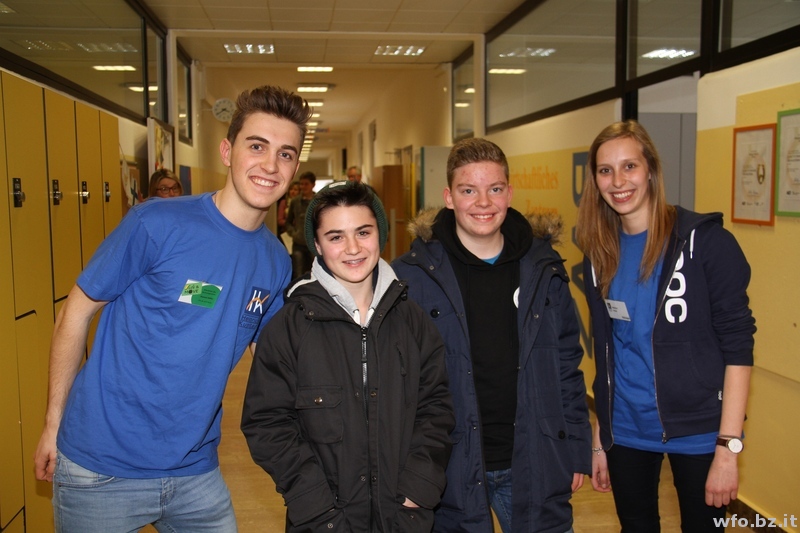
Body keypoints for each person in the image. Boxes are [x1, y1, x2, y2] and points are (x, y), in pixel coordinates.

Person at [33, 84, 312, 532]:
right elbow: (74, 313)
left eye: (285, 154)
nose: (270, 165)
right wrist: (52, 423)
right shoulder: (156, 223)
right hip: (100, 467)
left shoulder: (274, 260)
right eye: (257, 146)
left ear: (295, 167)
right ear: (227, 151)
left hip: (194, 469)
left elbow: (274, 360)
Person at [392, 138, 591, 533]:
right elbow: (396, 383)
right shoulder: (412, 276)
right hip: (449, 468)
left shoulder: (544, 268)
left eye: (494, 189)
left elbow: (567, 365)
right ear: (449, 197)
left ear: (509, 194)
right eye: (468, 190)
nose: (483, 202)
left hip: (534, 461)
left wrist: (576, 447)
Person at [242, 180, 455, 532]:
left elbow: (436, 408)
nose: (353, 248)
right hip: (321, 521)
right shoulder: (289, 327)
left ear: (380, 234)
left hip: (404, 517)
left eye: (363, 232)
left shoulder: (412, 321)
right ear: (317, 245)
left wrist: (418, 489)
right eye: (336, 237)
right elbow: (267, 423)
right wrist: (314, 505)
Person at [575, 120, 756, 531]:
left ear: (651, 170)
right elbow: (608, 349)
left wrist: (728, 448)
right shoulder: (599, 253)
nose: (618, 181)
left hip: (699, 431)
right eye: (605, 170)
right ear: (595, 181)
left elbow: (739, 348)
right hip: (626, 429)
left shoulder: (705, 243)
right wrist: (601, 433)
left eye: (630, 166)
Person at [284, 170, 316, 278]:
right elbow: (288, 222)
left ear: (313, 185)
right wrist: (294, 233)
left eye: (306, 184)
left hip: (314, 243)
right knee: (298, 272)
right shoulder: (295, 201)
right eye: (301, 184)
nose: (303, 187)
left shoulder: (318, 201)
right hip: (298, 243)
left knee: (316, 273)